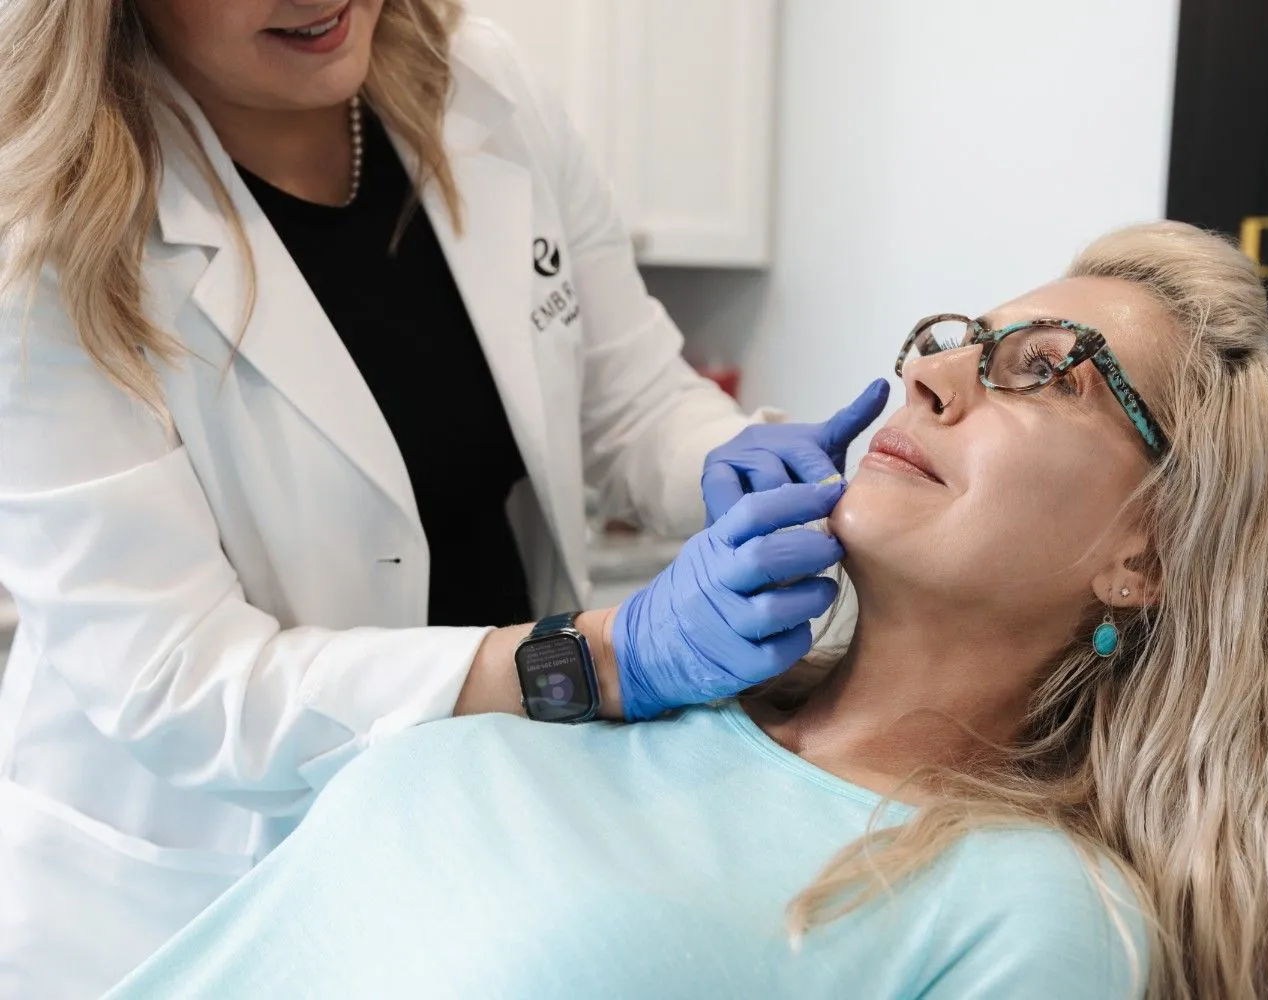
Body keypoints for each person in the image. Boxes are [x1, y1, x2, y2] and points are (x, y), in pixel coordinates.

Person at [106, 223, 1268, 1000]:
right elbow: (190, 695)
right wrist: (613, 659)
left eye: (1046, 372)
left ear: (1146, 557)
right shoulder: (639, 689)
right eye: (953, 339)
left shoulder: (1025, 912)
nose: (927, 378)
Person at [0, 2, 888, 995]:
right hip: (214, 877)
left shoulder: (482, 87)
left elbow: (632, 395)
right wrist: (596, 660)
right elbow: (186, 685)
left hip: (493, 818)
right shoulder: (43, 239)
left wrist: (726, 457)